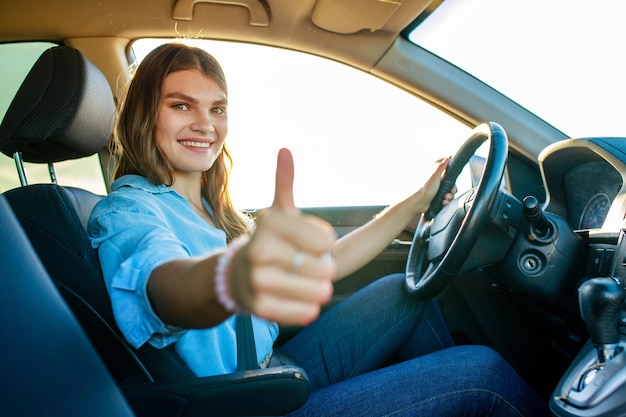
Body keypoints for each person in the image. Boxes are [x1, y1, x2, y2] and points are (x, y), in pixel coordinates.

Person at [88, 42, 548, 416]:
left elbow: (328, 263)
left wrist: (416, 205)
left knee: (404, 295)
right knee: (479, 374)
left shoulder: (214, 209)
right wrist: (234, 274)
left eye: (218, 108)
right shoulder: (129, 211)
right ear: (146, 114)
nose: (205, 125)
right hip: (246, 405)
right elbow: (163, 287)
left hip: (273, 371)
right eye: (181, 105)